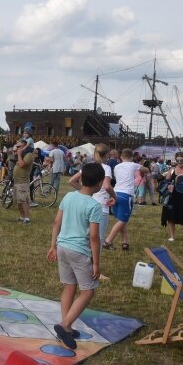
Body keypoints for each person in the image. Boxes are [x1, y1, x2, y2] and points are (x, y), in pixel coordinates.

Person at [46, 162, 105, 350]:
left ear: (81, 178)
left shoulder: (69, 196)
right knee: (88, 291)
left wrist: (52, 245)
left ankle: (68, 327)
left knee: (69, 286)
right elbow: (94, 237)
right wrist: (96, 263)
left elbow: (57, 222)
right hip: (79, 251)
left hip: (62, 246)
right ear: (100, 183)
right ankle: (64, 325)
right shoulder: (94, 206)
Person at [69, 143, 116, 252]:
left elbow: (71, 181)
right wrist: (115, 197)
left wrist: (83, 190)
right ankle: (94, 265)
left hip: (85, 204)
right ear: (106, 156)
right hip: (101, 207)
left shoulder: (87, 167)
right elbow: (107, 186)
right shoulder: (106, 168)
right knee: (97, 240)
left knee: (84, 236)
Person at [103, 148, 148, 251]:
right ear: (132, 157)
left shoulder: (117, 167)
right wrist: (144, 167)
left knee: (121, 219)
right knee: (123, 220)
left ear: (121, 157)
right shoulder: (133, 165)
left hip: (115, 193)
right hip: (126, 194)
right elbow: (146, 170)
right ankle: (108, 241)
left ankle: (125, 242)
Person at [12, 139, 34, 224]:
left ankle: (27, 219)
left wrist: (19, 154)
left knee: (23, 200)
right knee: (19, 200)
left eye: (18, 146)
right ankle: (22, 217)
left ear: (24, 146)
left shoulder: (28, 155)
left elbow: (22, 164)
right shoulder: (22, 154)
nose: (17, 148)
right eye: (16, 146)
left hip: (23, 181)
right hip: (17, 180)